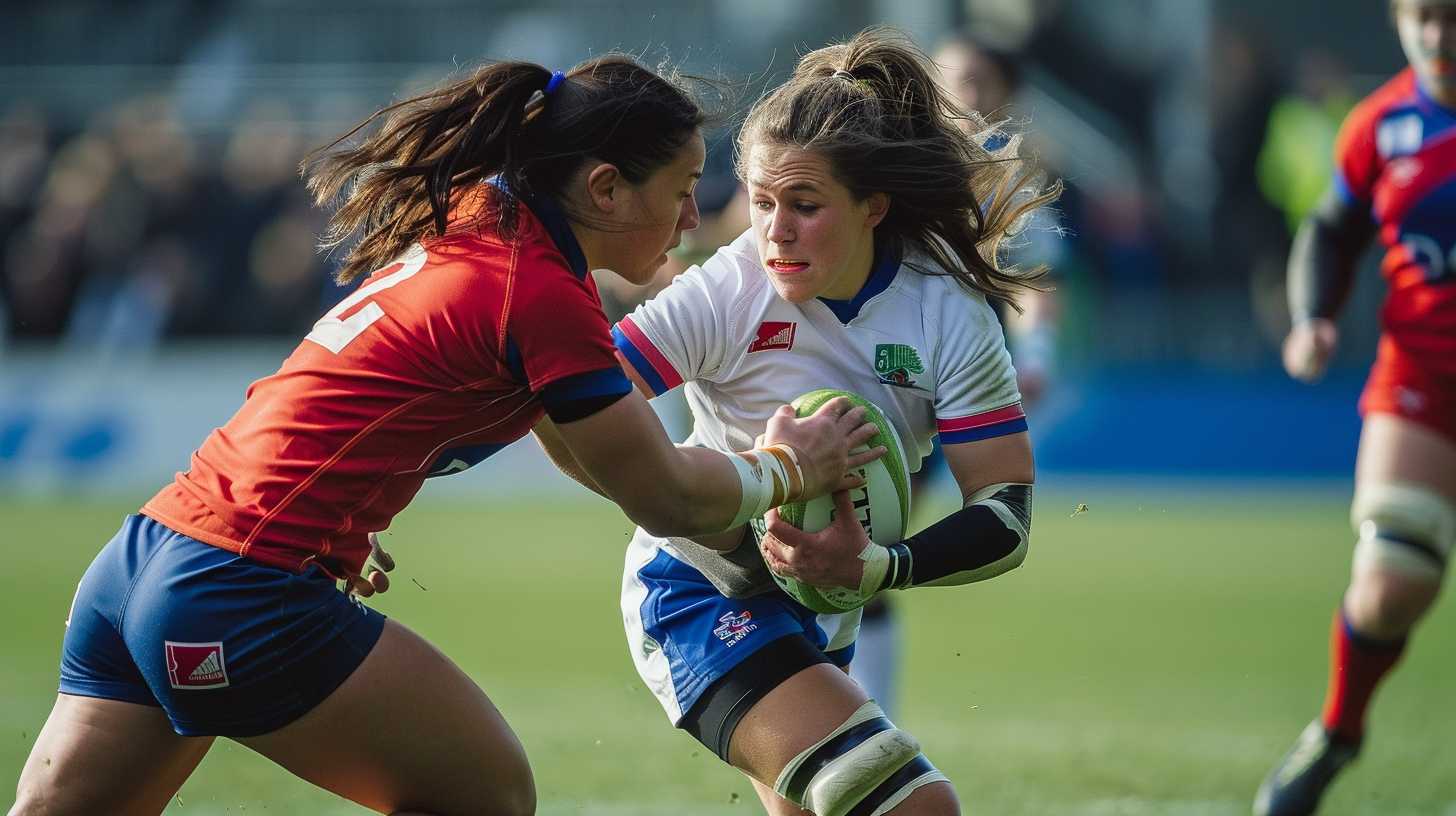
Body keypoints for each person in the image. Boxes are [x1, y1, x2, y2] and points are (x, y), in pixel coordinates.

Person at [10, 55, 883, 816]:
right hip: (241, 586)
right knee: (488, 797)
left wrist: (340, 519)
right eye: (684, 192)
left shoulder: (485, 221)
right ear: (606, 187)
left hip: (143, 561)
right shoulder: (538, 291)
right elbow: (660, 492)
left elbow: (583, 454)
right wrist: (786, 467)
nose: (695, 219)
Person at [601, 28, 1056, 816]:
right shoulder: (729, 287)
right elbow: (578, 396)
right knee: (917, 807)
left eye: (804, 206)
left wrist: (878, 569)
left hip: (829, 611)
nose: (774, 230)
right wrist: (751, 484)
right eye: (763, 201)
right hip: (698, 589)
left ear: (873, 206)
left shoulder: (945, 309)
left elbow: (1006, 514)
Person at [1253, 3, 1456, 814]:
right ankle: (1339, 732)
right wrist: (1314, 318)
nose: (1441, 37)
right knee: (1390, 578)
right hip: (1423, 375)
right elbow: (1331, 230)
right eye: (1426, 19)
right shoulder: (1382, 124)